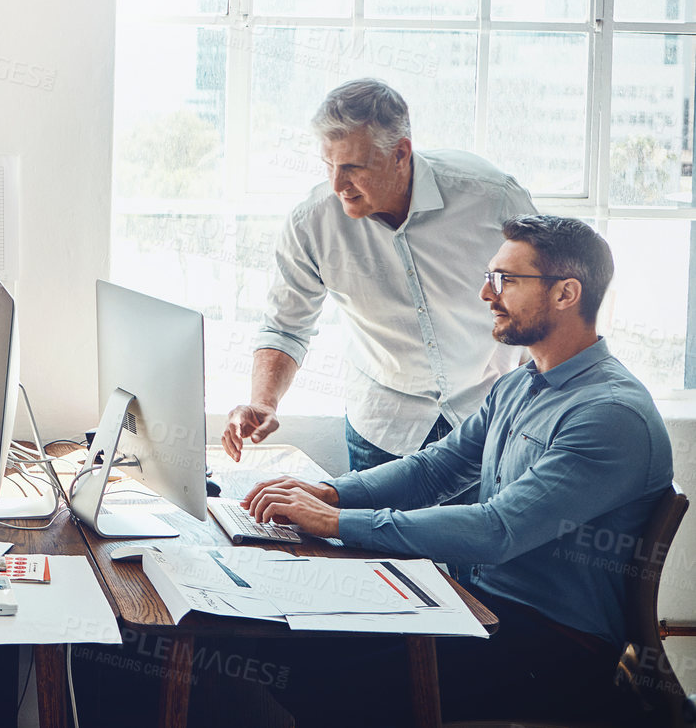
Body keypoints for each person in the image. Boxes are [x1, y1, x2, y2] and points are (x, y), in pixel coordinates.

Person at [241, 216, 673, 726]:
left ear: (566, 294)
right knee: (294, 644)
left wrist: (335, 524)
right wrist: (328, 494)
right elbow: (434, 469)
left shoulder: (610, 414)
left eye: (506, 280)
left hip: (551, 648)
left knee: (322, 677)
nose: (487, 294)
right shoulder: (519, 384)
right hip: (479, 606)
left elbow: (496, 530)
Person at [223, 78, 537, 475]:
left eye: (353, 168)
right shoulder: (312, 223)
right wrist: (263, 402)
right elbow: (285, 329)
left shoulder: (493, 197)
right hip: (383, 426)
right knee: (369, 539)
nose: (337, 185)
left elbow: (544, 294)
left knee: (480, 534)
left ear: (400, 154)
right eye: (329, 166)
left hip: (487, 416)